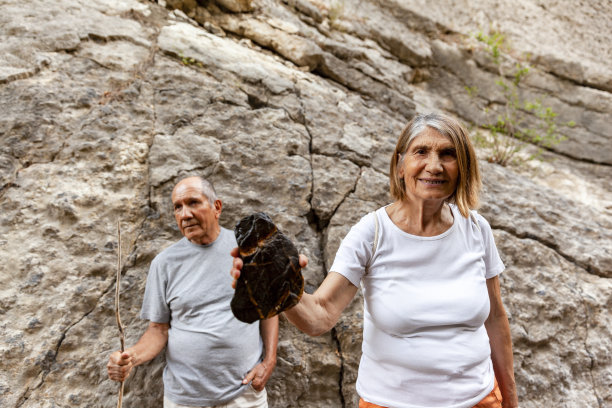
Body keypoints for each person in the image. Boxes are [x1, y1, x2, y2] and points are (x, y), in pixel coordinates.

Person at [231, 113, 519, 408]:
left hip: (479, 400)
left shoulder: (476, 228)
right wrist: (282, 288)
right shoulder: (371, 232)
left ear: (463, 167)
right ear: (400, 165)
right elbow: (321, 315)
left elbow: (495, 317)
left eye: (448, 154)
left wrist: (510, 398)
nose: (434, 165)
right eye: (421, 151)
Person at [108, 176, 278, 408]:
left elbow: (269, 309)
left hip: (244, 393)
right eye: (177, 207)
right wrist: (130, 358)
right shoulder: (164, 264)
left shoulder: (248, 250)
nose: (184, 214)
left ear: (216, 207)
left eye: (193, 203)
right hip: (184, 399)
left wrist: (269, 361)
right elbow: (158, 330)